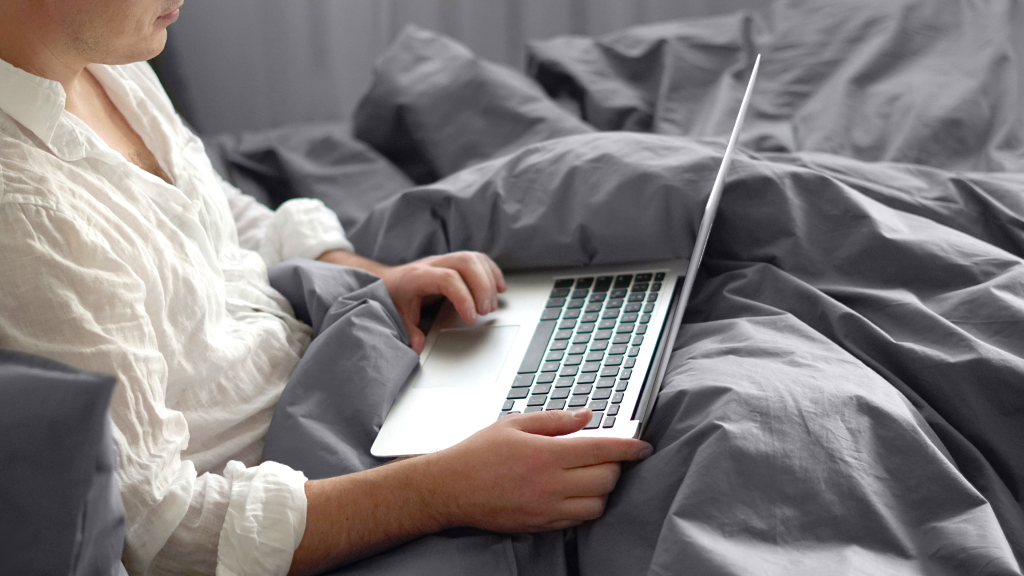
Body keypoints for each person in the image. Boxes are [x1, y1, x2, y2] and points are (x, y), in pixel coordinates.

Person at [0, 1, 652, 575]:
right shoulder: (24, 214)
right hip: (305, 486)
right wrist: (441, 491)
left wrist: (367, 275)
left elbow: (213, 214)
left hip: (338, 365)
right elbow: (162, 535)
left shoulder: (105, 56)